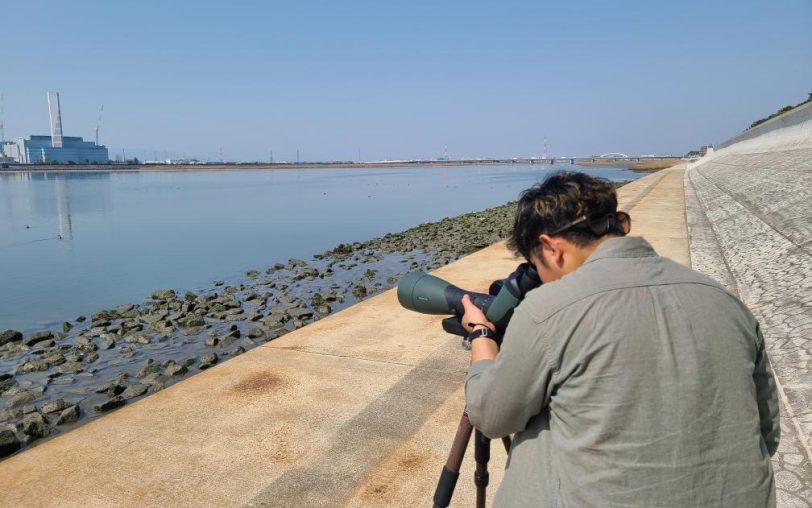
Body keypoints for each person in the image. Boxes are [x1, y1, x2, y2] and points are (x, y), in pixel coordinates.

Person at [461, 171, 780, 507]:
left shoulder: (549, 308)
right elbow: (767, 433)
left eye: (535, 266)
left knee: (542, 428)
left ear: (550, 248)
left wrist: (482, 336)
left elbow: (492, 416)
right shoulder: (724, 299)